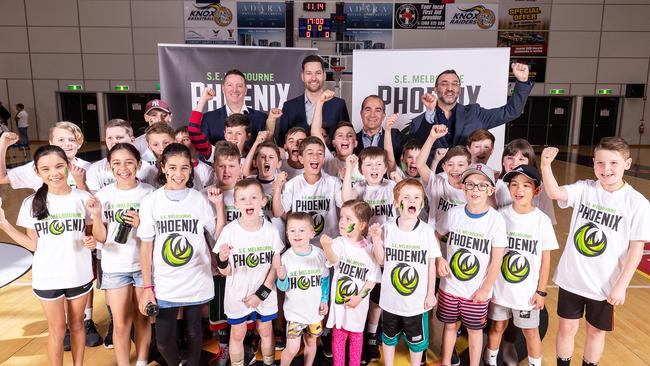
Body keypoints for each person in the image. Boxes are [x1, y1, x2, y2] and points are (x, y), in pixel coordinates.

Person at [540, 138, 650, 366]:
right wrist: (545, 166)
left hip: (605, 283)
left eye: (613, 163)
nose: (606, 169)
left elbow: (637, 248)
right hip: (573, 277)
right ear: (593, 163)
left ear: (627, 164)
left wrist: (622, 285)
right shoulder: (585, 189)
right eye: (600, 163)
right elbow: (554, 193)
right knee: (567, 328)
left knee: (595, 332)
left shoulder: (637, 203)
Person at [0, 145, 95, 365]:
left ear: (69, 167)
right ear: (37, 172)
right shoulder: (32, 203)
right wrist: (5, 225)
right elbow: (32, 244)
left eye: (59, 166)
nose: (54, 173)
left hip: (78, 273)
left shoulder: (82, 198)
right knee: (57, 329)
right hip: (48, 276)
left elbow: (91, 232)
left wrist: (91, 239)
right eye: (46, 169)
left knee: (78, 325)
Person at [137, 143, 219, 366]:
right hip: (165, 281)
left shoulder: (199, 199)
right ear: (162, 168)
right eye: (172, 167)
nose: (178, 174)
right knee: (163, 341)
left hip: (196, 277)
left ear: (191, 169)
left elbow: (216, 235)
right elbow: (146, 246)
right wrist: (147, 287)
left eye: (184, 168)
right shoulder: (151, 202)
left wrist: (219, 207)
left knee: (194, 333)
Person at [87, 143, 154, 366]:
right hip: (115, 266)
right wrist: (97, 216)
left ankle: (142, 361)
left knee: (142, 319)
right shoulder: (104, 195)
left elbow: (156, 233)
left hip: (143, 266)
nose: (123, 168)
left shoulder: (150, 193)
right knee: (121, 322)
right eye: (116, 163)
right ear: (109, 166)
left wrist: (142, 223)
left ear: (139, 165)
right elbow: (101, 238)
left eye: (129, 162)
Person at [485, 165, 558, 366]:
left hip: (526, 293)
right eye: (514, 184)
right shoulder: (500, 216)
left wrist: (541, 291)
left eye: (526, 185)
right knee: (497, 328)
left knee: (530, 331)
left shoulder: (541, 221)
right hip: (500, 288)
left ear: (537, 191)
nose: (519, 190)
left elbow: (546, 260)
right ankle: (491, 362)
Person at [435, 164, 506, 366]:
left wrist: (485, 288)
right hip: (450, 286)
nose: (475, 190)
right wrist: (439, 259)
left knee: (475, 331)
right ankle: (446, 362)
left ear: (491, 190)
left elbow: (497, 259)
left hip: (476, 291)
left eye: (482, 186)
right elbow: (436, 235)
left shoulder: (496, 220)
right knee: (449, 327)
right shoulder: (454, 213)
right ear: (463, 188)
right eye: (470, 185)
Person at [370, 178, 441, 366]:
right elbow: (382, 261)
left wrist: (430, 294)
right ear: (395, 202)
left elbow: (431, 265)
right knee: (388, 338)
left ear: (422, 203)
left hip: (416, 303)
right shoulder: (388, 229)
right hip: (391, 299)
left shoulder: (426, 232)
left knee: (417, 343)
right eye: (406, 197)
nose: (412, 201)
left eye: (417, 197)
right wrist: (377, 240)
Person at [215, 178, 284, 366]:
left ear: (263, 201)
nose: (249, 202)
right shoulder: (229, 231)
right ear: (236, 204)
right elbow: (225, 271)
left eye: (254, 197)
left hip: (265, 294)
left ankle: (270, 363)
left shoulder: (271, 231)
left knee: (266, 330)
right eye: (243, 199)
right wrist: (221, 259)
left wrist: (261, 294)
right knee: (237, 333)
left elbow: (275, 266)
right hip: (238, 295)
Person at [408, 63, 532, 157]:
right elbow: (415, 150)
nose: (450, 88)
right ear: (435, 89)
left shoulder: (475, 113)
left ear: (459, 89)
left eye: (455, 84)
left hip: (467, 185)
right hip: (432, 184)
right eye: (444, 83)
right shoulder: (419, 122)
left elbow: (511, 112)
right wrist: (430, 112)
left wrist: (522, 82)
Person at [320, 199, 381, 366]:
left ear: (361, 225)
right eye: (341, 217)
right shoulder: (340, 242)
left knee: (356, 338)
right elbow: (333, 260)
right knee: (338, 338)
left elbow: (372, 280)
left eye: (348, 219)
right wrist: (327, 248)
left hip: (358, 306)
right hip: (340, 306)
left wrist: (359, 298)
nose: (342, 222)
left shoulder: (369, 249)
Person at [276, 212, 329, 366]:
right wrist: (281, 278)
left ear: (312, 233)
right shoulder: (285, 258)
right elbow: (283, 288)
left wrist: (324, 299)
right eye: (292, 230)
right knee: (292, 348)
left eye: (302, 230)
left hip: (315, 312)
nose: (297, 234)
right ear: (287, 234)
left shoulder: (319, 254)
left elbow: (325, 279)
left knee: (311, 342)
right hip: (295, 313)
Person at [272, 136, 343, 246]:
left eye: (320, 153)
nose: (315, 156)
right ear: (301, 158)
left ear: (323, 159)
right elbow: (278, 213)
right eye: (310, 153)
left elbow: (346, 204)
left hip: (330, 245)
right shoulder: (292, 184)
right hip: (301, 246)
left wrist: (347, 176)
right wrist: (277, 188)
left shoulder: (334, 182)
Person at [275, 55, 349, 146]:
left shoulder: (338, 105)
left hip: (330, 159)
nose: (313, 78)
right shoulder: (289, 107)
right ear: (302, 76)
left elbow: (347, 137)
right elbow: (281, 143)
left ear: (324, 75)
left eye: (318, 73)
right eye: (309, 73)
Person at [0, 123, 91, 191]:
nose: (66, 144)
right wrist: (3, 145)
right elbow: (2, 178)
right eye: (61, 140)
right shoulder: (37, 167)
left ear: (79, 144)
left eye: (71, 140)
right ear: (51, 142)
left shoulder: (89, 168)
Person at [197, 70, 267, 148]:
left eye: (239, 86)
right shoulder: (209, 118)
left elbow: (264, 150)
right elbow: (202, 152)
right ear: (223, 88)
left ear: (246, 90)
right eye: (230, 85)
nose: (234, 90)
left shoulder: (261, 118)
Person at [495, 138, 556, 224]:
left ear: (529, 163)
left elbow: (549, 220)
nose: (515, 163)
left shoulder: (540, 187)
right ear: (503, 162)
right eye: (510, 158)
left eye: (521, 159)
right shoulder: (496, 185)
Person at [86, 119, 136, 193]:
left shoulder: (146, 168)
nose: (114, 141)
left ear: (132, 140)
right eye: (110, 138)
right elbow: (93, 198)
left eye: (119, 137)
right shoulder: (96, 168)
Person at [354, 95, 403, 162]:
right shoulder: (352, 140)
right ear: (361, 113)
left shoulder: (394, 136)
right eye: (368, 110)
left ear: (383, 115)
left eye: (377, 110)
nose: (372, 115)